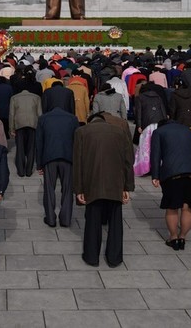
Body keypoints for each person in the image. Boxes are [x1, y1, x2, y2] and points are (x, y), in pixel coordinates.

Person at [73, 113, 135, 268]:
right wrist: (127, 186)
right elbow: (128, 160)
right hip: (115, 183)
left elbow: (78, 162)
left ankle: (91, 257)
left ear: (91, 121)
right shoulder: (119, 132)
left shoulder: (81, 132)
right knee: (115, 221)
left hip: (92, 183)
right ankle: (114, 258)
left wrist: (78, 189)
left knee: (92, 220)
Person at [150, 119, 191, 251]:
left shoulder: (159, 132)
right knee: (188, 207)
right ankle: (182, 238)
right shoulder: (189, 131)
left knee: (172, 207)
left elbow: (155, 155)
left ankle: (173, 238)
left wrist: (155, 176)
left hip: (172, 174)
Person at [36, 107, 79, 227]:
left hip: (49, 157)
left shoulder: (43, 119)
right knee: (67, 189)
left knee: (49, 189)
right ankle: (65, 219)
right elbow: (77, 141)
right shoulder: (72, 119)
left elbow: (39, 142)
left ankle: (50, 218)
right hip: (68, 157)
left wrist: (39, 164)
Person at [8, 86, 42, 177]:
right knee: (31, 148)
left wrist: (11, 128)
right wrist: (40, 128)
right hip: (33, 124)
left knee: (20, 148)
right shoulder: (36, 97)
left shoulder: (14, 98)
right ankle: (29, 171)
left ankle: (21, 171)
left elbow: (11, 114)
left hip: (19, 124)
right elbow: (40, 114)